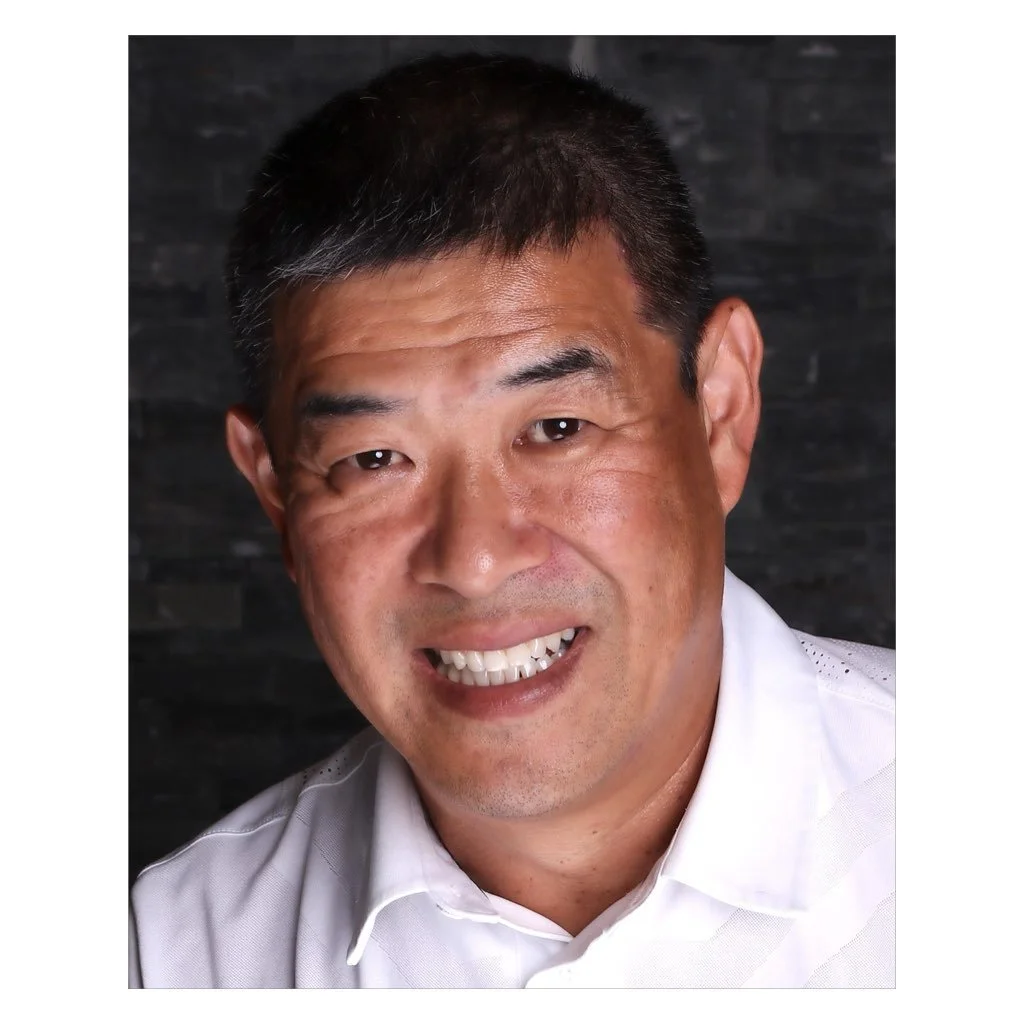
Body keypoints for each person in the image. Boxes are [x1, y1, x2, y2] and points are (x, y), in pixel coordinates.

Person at [128, 52, 895, 988]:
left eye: (558, 428)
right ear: (277, 495)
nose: (478, 559)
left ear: (720, 412)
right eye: (373, 459)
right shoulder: (166, 960)